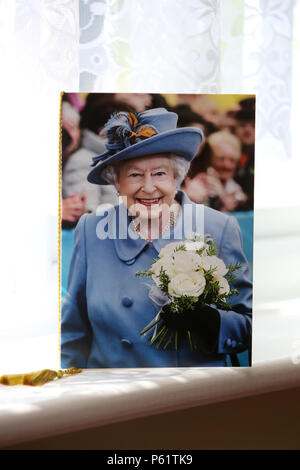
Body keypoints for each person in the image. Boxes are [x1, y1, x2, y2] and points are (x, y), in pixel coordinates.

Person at [61, 108, 252, 368]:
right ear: (117, 182)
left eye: (160, 173)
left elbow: (249, 326)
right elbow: (73, 333)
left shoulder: (218, 227)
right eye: (135, 174)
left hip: (189, 398)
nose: (148, 187)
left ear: (177, 177)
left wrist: (210, 321)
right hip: (110, 399)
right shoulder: (92, 230)